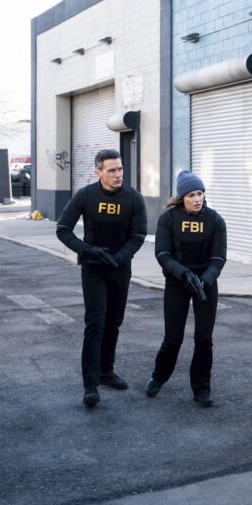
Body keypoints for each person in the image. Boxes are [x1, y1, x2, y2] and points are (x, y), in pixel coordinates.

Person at [56, 149, 147, 407]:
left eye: (120, 169)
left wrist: (120, 257)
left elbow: (138, 235)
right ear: (98, 173)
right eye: (112, 170)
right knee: (95, 323)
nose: (118, 174)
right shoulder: (85, 196)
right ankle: (90, 384)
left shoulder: (133, 198)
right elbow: (63, 230)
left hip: (120, 267)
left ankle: (107, 372)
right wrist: (88, 250)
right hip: (93, 267)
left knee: (113, 323)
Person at [146, 171, 226, 407]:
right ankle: (159, 376)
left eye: (200, 193)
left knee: (204, 338)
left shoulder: (215, 220)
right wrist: (184, 274)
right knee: (173, 338)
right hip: (177, 283)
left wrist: (205, 280)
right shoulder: (168, 218)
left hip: (205, 284)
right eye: (191, 194)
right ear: (182, 197)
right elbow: (162, 254)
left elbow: (219, 257)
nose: (197, 198)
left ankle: (202, 388)